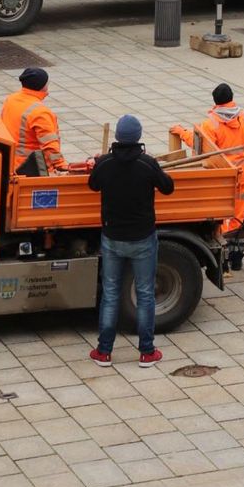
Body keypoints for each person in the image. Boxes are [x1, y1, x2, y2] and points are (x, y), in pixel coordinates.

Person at [88, 115, 173, 368]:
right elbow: (168, 188)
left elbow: (92, 185)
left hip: (112, 237)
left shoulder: (105, 164)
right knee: (146, 293)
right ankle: (147, 352)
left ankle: (104, 352)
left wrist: (96, 162)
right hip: (142, 238)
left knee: (111, 294)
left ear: (117, 136)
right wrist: (157, 170)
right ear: (138, 137)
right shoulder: (147, 164)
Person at [175, 85, 244, 232]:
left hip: (222, 175)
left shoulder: (211, 124)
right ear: (232, 98)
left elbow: (198, 144)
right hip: (241, 175)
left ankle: (222, 238)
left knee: (221, 210)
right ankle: (236, 240)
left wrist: (182, 132)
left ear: (215, 101)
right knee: (238, 210)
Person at [0, 67, 67, 174]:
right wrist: (61, 165)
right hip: (32, 168)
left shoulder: (11, 99)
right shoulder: (41, 112)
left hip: (10, 162)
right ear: (42, 86)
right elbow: (50, 146)